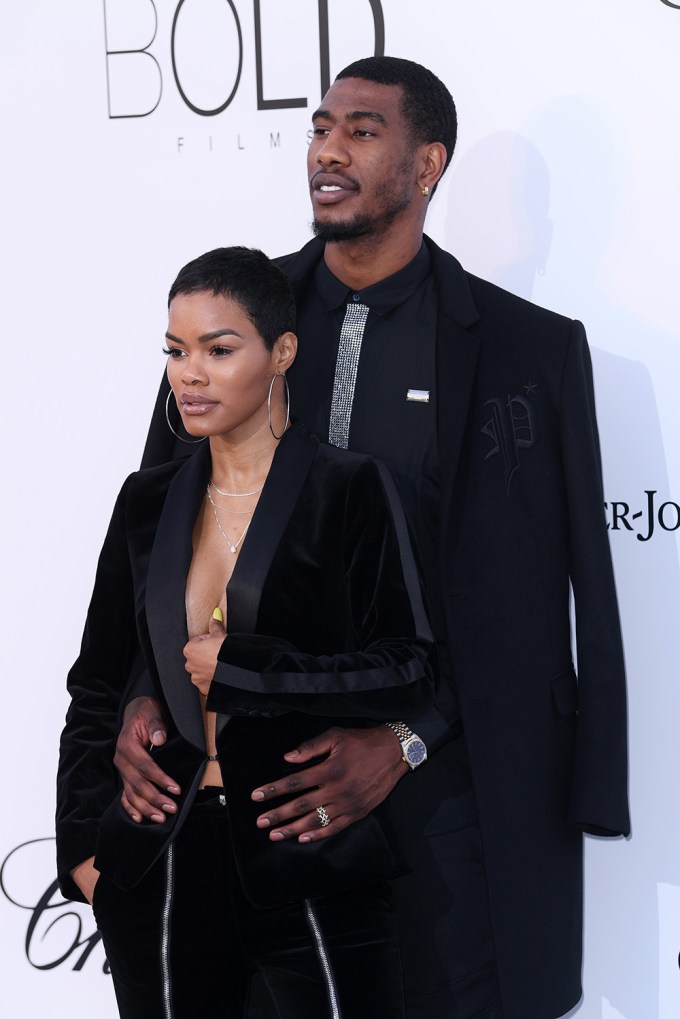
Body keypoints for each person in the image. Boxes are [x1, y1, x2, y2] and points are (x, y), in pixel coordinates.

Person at [116, 58, 630, 1019]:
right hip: (259, 797)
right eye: (320, 127)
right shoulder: (232, 321)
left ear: (427, 164)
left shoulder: (530, 349)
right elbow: (158, 539)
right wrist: (142, 698)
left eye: (361, 130)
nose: (327, 150)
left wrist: (408, 737)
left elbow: (571, 588)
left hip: (456, 796)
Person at [55, 246, 437, 1019]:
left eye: (218, 349)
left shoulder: (348, 488)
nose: (189, 373)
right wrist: (82, 851)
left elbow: (407, 667)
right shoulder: (147, 500)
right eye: (175, 350)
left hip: (309, 856)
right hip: (161, 863)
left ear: (281, 353)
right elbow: (96, 682)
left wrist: (251, 671)